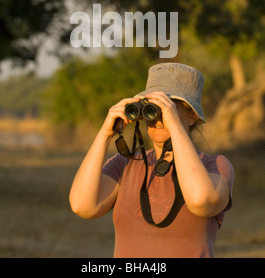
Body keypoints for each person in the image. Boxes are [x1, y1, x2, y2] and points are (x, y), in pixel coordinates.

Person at [69, 63, 234, 258]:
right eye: (152, 107)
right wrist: (105, 134)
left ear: (192, 116)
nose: (158, 117)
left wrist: (173, 124)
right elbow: (82, 206)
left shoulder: (214, 165)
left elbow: (202, 201)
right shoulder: (125, 163)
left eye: (169, 106)